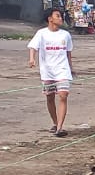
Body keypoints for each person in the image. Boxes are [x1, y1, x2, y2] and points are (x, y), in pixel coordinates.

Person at [28, 9, 74, 137]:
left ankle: (60, 127)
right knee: (50, 97)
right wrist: (32, 59)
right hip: (47, 71)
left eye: (61, 16)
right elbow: (33, 47)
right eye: (57, 16)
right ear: (50, 19)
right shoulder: (41, 33)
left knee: (63, 95)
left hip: (62, 70)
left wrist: (71, 67)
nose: (60, 18)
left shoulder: (65, 35)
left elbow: (68, 53)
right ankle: (55, 122)